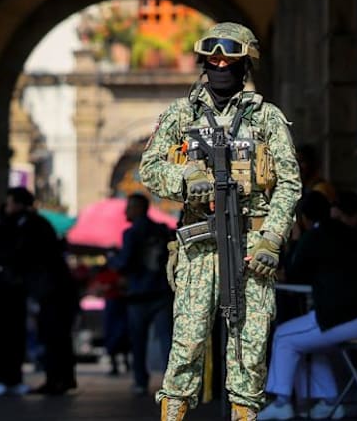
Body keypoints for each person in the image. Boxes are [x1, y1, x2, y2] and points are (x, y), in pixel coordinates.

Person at [140, 22, 301, 420]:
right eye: (213, 59)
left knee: (248, 351)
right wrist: (186, 179)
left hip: (251, 247)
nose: (221, 66)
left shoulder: (267, 118)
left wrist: (272, 239)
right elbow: (150, 168)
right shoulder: (180, 115)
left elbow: (289, 184)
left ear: (244, 64)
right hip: (199, 248)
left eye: (229, 60)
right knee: (187, 345)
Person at [257, 192, 357, 420]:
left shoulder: (322, 235)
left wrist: (298, 238)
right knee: (309, 344)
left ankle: (282, 403)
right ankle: (328, 402)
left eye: (339, 218)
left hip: (355, 316)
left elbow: (293, 274)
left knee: (284, 337)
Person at [3, 187, 80, 397]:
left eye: (9, 203)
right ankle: (62, 378)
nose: (7, 208)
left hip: (50, 290)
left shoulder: (30, 224)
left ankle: (56, 379)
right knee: (57, 336)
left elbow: (23, 254)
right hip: (53, 288)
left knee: (52, 335)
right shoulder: (38, 223)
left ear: (18, 204)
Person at [107, 193, 173, 395]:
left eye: (129, 207)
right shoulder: (162, 230)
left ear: (137, 208)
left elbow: (125, 263)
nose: (126, 211)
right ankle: (173, 382)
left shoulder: (131, 233)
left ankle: (140, 382)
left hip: (139, 294)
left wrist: (112, 258)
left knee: (139, 341)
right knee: (166, 340)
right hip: (162, 291)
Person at [0, 189, 34, 397]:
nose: (7, 207)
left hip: (8, 287)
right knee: (4, 336)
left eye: (10, 202)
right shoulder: (11, 224)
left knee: (8, 336)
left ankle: (7, 378)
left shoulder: (21, 225)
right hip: (6, 288)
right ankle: (2, 378)